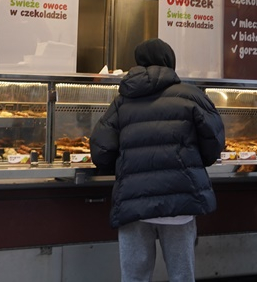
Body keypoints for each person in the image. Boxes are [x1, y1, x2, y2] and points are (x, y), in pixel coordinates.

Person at [90, 38, 225, 282]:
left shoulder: (123, 101)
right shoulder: (192, 96)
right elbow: (214, 143)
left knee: (134, 278)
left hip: (134, 203)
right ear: (170, 62)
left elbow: (101, 151)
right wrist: (193, 161)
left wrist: (125, 165)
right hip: (181, 202)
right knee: (182, 276)